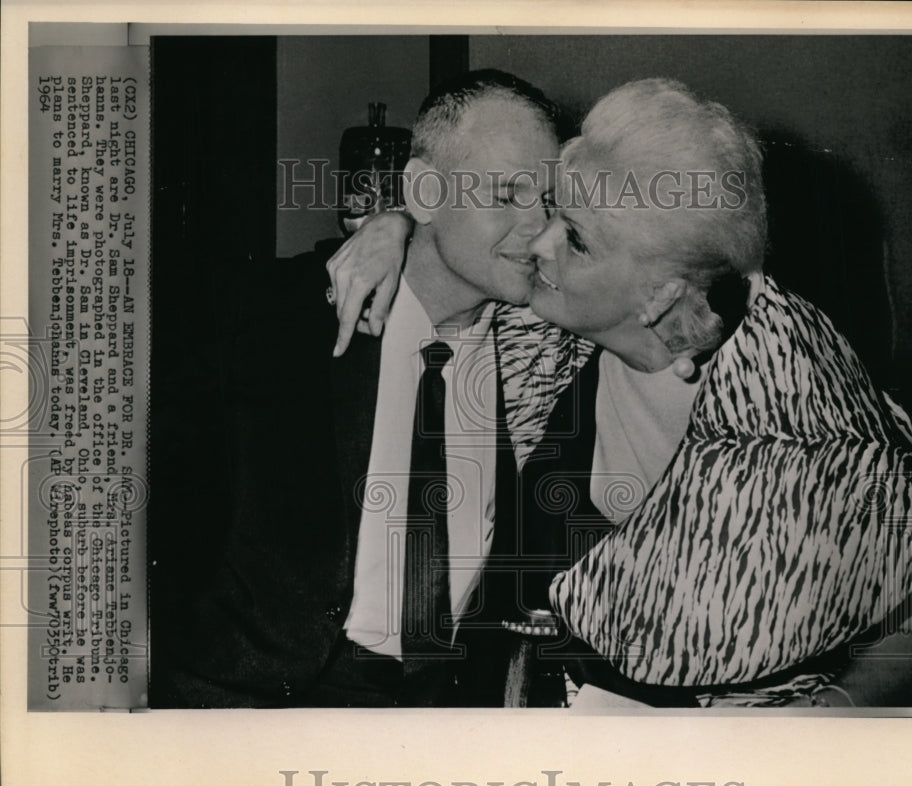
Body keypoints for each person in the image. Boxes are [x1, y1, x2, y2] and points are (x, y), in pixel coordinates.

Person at [326, 78, 912, 707]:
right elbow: (454, 252)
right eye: (554, 207)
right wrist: (395, 225)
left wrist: (811, 720)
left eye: (573, 236)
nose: (537, 241)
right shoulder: (543, 338)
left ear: (660, 294)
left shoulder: (792, 402)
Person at [157, 69, 590, 707]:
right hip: (244, 705)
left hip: (439, 712)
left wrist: (399, 222)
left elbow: (680, 274)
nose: (541, 226)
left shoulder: (548, 341)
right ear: (423, 189)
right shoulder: (276, 318)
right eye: (508, 193)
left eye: (550, 198)